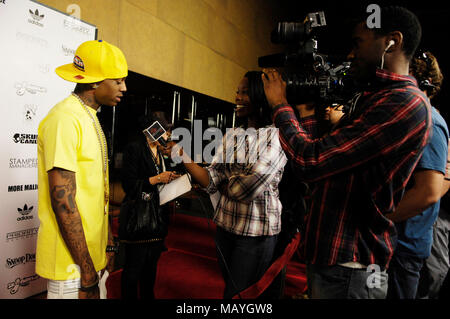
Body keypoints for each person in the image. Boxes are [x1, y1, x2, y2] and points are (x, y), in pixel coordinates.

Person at [262, 6, 430, 299]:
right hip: (338, 261)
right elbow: (325, 153)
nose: (351, 55)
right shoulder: (375, 97)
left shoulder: (404, 104)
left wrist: (280, 106)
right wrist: (307, 111)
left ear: (392, 41)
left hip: (351, 265)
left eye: (358, 43)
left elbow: (311, 161)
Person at [165, 71, 287, 299]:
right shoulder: (232, 134)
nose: (237, 97)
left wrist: (225, 183)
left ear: (260, 96)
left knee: (237, 296)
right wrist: (181, 154)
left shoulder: (277, 135)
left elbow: (248, 188)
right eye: (237, 92)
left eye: (244, 92)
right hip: (225, 228)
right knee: (229, 292)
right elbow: (211, 178)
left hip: (255, 234)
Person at [36, 40, 128, 299]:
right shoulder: (65, 118)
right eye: (118, 81)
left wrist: (107, 247)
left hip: (89, 258)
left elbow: (97, 194)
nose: (124, 88)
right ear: (95, 81)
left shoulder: (90, 116)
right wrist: (86, 273)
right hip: (71, 265)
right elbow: (63, 202)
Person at [119, 112, 180, 299]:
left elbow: (159, 179)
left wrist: (169, 179)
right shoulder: (135, 148)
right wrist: (157, 179)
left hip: (158, 218)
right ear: (153, 129)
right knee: (133, 269)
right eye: (165, 131)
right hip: (139, 218)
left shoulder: (162, 152)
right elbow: (128, 185)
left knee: (150, 269)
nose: (168, 135)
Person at [405, 51, 450, 299]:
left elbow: (431, 191)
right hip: (397, 242)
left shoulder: (431, 121)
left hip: (406, 244)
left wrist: (383, 218)